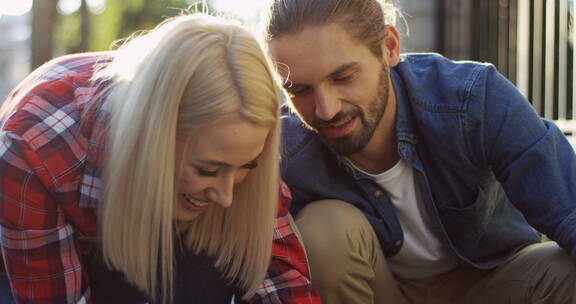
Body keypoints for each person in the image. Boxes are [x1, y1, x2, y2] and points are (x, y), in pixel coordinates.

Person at [263, 0, 576, 303]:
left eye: (343, 77)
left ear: (389, 47)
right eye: (299, 90)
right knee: (325, 229)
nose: (326, 110)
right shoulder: (285, 152)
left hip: (495, 280)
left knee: (564, 272)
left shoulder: (470, 100)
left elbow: (568, 208)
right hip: (384, 292)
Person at [0, 13, 321, 304]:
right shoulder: (33, 145)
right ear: (153, 135)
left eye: (246, 167)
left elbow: (281, 284)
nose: (226, 197)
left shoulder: (235, 132)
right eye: (207, 169)